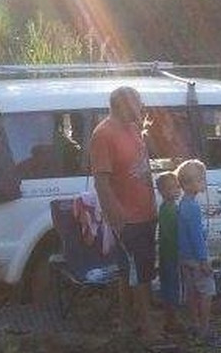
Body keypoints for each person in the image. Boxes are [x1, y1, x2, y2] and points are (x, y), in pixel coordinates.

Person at [90, 86, 159, 342]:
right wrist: (118, 219)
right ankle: (147, 326)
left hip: (146, 213)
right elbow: (102, 182)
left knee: (132, 270)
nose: (141, 107)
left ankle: (127, 323)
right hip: (128, 218)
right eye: (137, 103)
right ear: (122, 105)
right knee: (140, 273)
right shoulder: (103, 135)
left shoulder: (132, 128)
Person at [176, 159, 221, 347]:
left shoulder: (183, 204)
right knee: (206, 291)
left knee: (192, 292)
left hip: (185, 259)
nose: (204, 182)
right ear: (187, 184)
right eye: (200, 179)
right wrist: (204, 261)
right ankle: (204, 330)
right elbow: (196, 237)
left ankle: (194, 324)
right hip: (196, 259)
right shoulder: (193, 208)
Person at [155, 172, 185, 334]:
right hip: (170, 256)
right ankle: (171, 320)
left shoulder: (169, 207)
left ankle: (171, 318)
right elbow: (171, 235)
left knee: (170, 286)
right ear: (162, 191)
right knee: (171, 287)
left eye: (177, 187)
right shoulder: (169, 210)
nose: (176, 190)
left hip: (168, 255)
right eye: (171, 188)